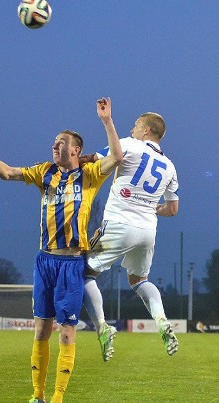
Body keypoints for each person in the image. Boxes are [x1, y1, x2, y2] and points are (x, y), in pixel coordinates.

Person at [0, 97, 122, 403]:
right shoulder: (45, 172)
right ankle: (36, 396)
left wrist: (106, 121)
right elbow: (8, 174)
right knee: (40, 331)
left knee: (66, 333)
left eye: (60, 143)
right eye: (53, 142)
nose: (54, 146)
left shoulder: (90, 174)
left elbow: (117, 157)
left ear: (75, 150)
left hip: (72, 263)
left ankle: (56, 400)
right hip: (44, 261)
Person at [80, 111, 179, 361]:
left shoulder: (129, 144)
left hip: (119, 222)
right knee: (139, 280)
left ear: (146, 130)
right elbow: (173, 209)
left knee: (83, 273)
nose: (132, 128)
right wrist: (148, 205)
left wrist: (66, 166)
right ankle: (161, 319)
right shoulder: (169, 166)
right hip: (148, 229)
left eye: (136, 125)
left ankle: (102, 327)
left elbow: (93, 159)